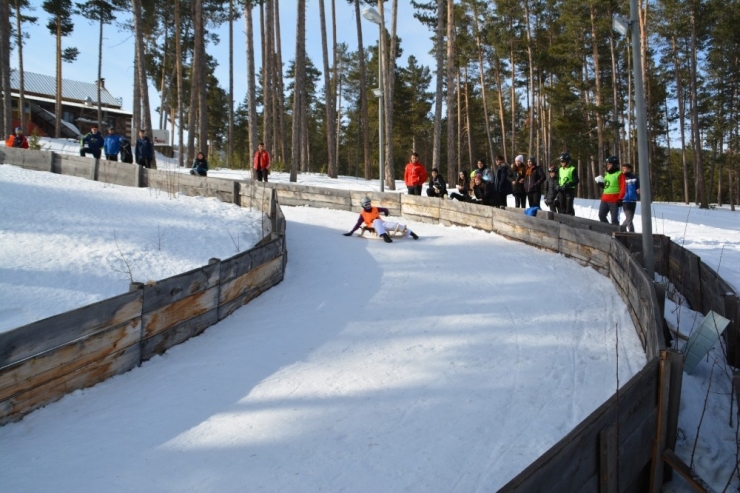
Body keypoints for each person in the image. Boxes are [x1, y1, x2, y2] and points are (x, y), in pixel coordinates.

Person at [343, 196, 419, 243]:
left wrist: (386, 212)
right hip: (372, 226)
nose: (368, 206)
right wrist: (351, 232)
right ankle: (384, 235)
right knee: (376, 221)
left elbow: (385, 209)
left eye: (369, 203)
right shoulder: (363, 214)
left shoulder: (375, 208)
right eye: (366, 204)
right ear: (363, 206)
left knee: (396, 225)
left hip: (382, 223)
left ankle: (412, 233)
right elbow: (358, 224)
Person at [596, 155, 626, 225]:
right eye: (607, 164)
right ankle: (608, 230)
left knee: (614, 219)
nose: (607, 166)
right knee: (601, 215)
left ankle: (616, 234)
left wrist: (620, 198)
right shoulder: (607, 174)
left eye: (609, 164)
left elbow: (623, 187)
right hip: (604, 199)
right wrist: (601, 185)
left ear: (614, 164)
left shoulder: (619, 174)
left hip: (614, 200)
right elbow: (607, 186)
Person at [621, 163, 640, 232]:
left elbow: (638, 187)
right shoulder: (621, 177)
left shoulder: (635, 177)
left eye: (625, 168)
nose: (623, 170)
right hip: (625, 200)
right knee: (629, 218)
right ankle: (632, 232)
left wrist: (639, 190)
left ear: (629, 169)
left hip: (633, 200)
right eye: (622, 168)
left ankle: (621, 229)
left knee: (630, 218)